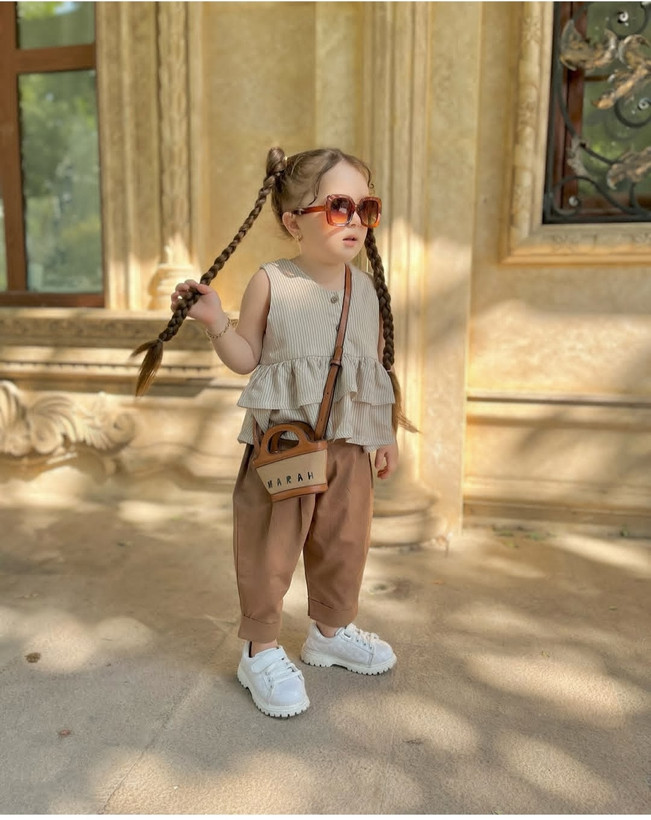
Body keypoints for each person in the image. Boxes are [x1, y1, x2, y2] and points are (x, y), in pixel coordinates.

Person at [133, 147, 415, 718]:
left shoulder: (368, 291)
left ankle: (330, 632)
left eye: (366, 208)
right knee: (270, 547)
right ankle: (259, 648)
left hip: (349, 445)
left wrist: (384, 434)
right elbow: (247, 357)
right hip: (285, 446)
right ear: (293, 221)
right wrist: (216, 322)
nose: (356, 220)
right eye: (338, 207)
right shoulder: (272, 281)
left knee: (345, 543)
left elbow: (376, 369)